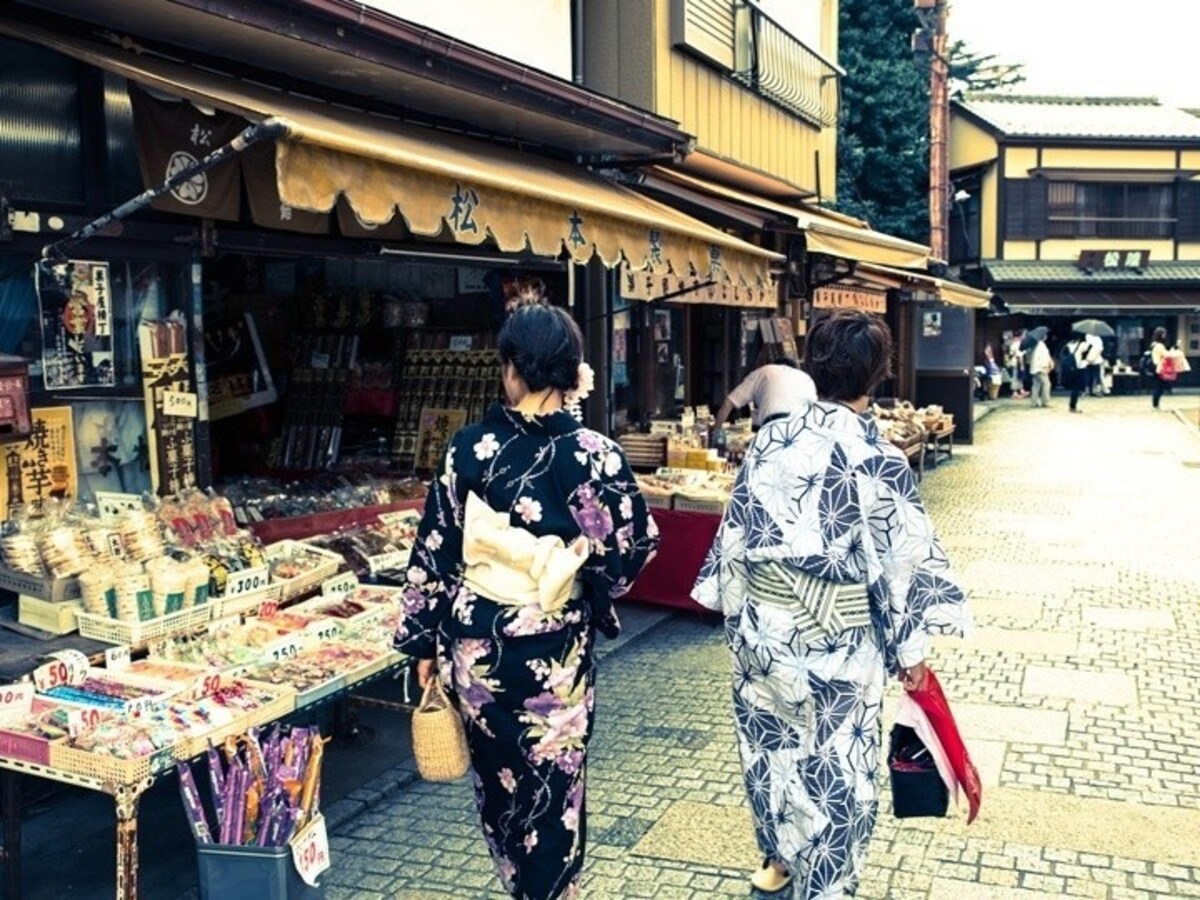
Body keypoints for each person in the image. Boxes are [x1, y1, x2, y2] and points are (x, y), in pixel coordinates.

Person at [691, 309, 972, 899]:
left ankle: (780, 857)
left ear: (812, 369)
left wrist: (738, 612)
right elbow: (901, 565)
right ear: (879, 375)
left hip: (764, 636)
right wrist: (912, 651)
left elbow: (735, 536)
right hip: (838, 643)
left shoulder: (770, 441)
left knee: (771, 753)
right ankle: (829, 884)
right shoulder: (878, 456)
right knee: (837, 767)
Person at [394, 304, 660, 900]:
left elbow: (435, 546)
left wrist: (421, 641)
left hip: (478, 654)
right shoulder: (595, 454)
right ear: (571, 371)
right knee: (555, 786)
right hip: (555, 653)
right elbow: (632, 549)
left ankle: (521, 886)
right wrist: (585, 577)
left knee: (499, 786)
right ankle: (551, 891)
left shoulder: (469, 449)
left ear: (511, 368)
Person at [712, 356, 817, 429]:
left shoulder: (764, 371)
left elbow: (728, 403)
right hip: (798, 429)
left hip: (772, 425)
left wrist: (716, 431)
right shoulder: (805, 378)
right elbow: (815, 411)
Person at [1061, 333, 1093, 413]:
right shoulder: (1083, 345)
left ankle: (1072, 406)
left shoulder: (1070, 344)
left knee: (1075, 387)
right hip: (1079, 368)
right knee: (1077, 388)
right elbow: (1089, 351)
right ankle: (1073, 406)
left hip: (1071, 368)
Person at [1148, 326, 1172, 409]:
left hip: (1155, 366)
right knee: (1160, 387)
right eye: (1163, 334)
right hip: (1159, 367)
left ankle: (1155, 403)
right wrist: (1173, 351)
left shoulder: (1153, 345)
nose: (1165, 336)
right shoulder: (1159, 346)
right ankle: (1155, 404)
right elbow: (1166, 355)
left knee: (1159, 386)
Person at [1028, 335, 1053, 408]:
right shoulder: (1042, 346)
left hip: (1034, 368)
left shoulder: (1035, 345)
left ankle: (1034, 402)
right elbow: (1043, 358)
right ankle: (1045, 402)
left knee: (1036, 385)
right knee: (1046, 384)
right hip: (1040, 368)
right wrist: (1046, 367)